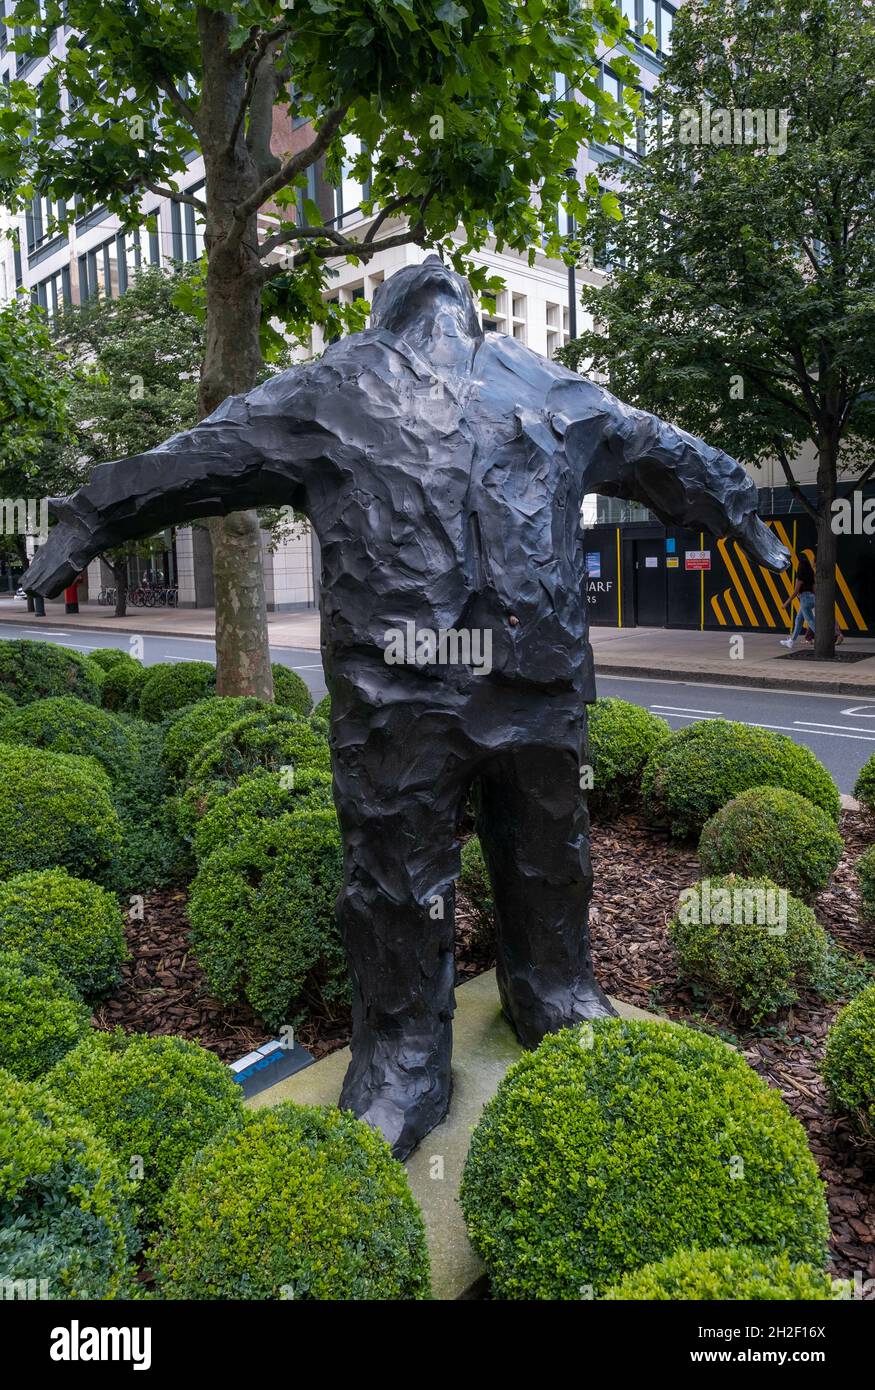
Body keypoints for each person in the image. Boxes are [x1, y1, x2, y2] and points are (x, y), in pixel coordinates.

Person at [20, 256, 789, 1157]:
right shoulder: (333, 388)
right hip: (401, 692)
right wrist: (83, 520)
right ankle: (403, 1051)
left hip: (533, 682)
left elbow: (668, 456)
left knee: (548, 851)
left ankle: (552, 991)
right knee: (395, 874)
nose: (432, 283)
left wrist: (742, 510)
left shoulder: (554, 391)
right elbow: (197, 460)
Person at [780, 552, 815, 647]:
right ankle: (791, 641)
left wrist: (786, 603)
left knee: (810, 620)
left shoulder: (800, 577)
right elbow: (814, 589)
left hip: (804, 599)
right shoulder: (811, 576)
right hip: (813, 598)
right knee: (799, 619)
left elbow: (795, 592)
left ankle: (825, 638)